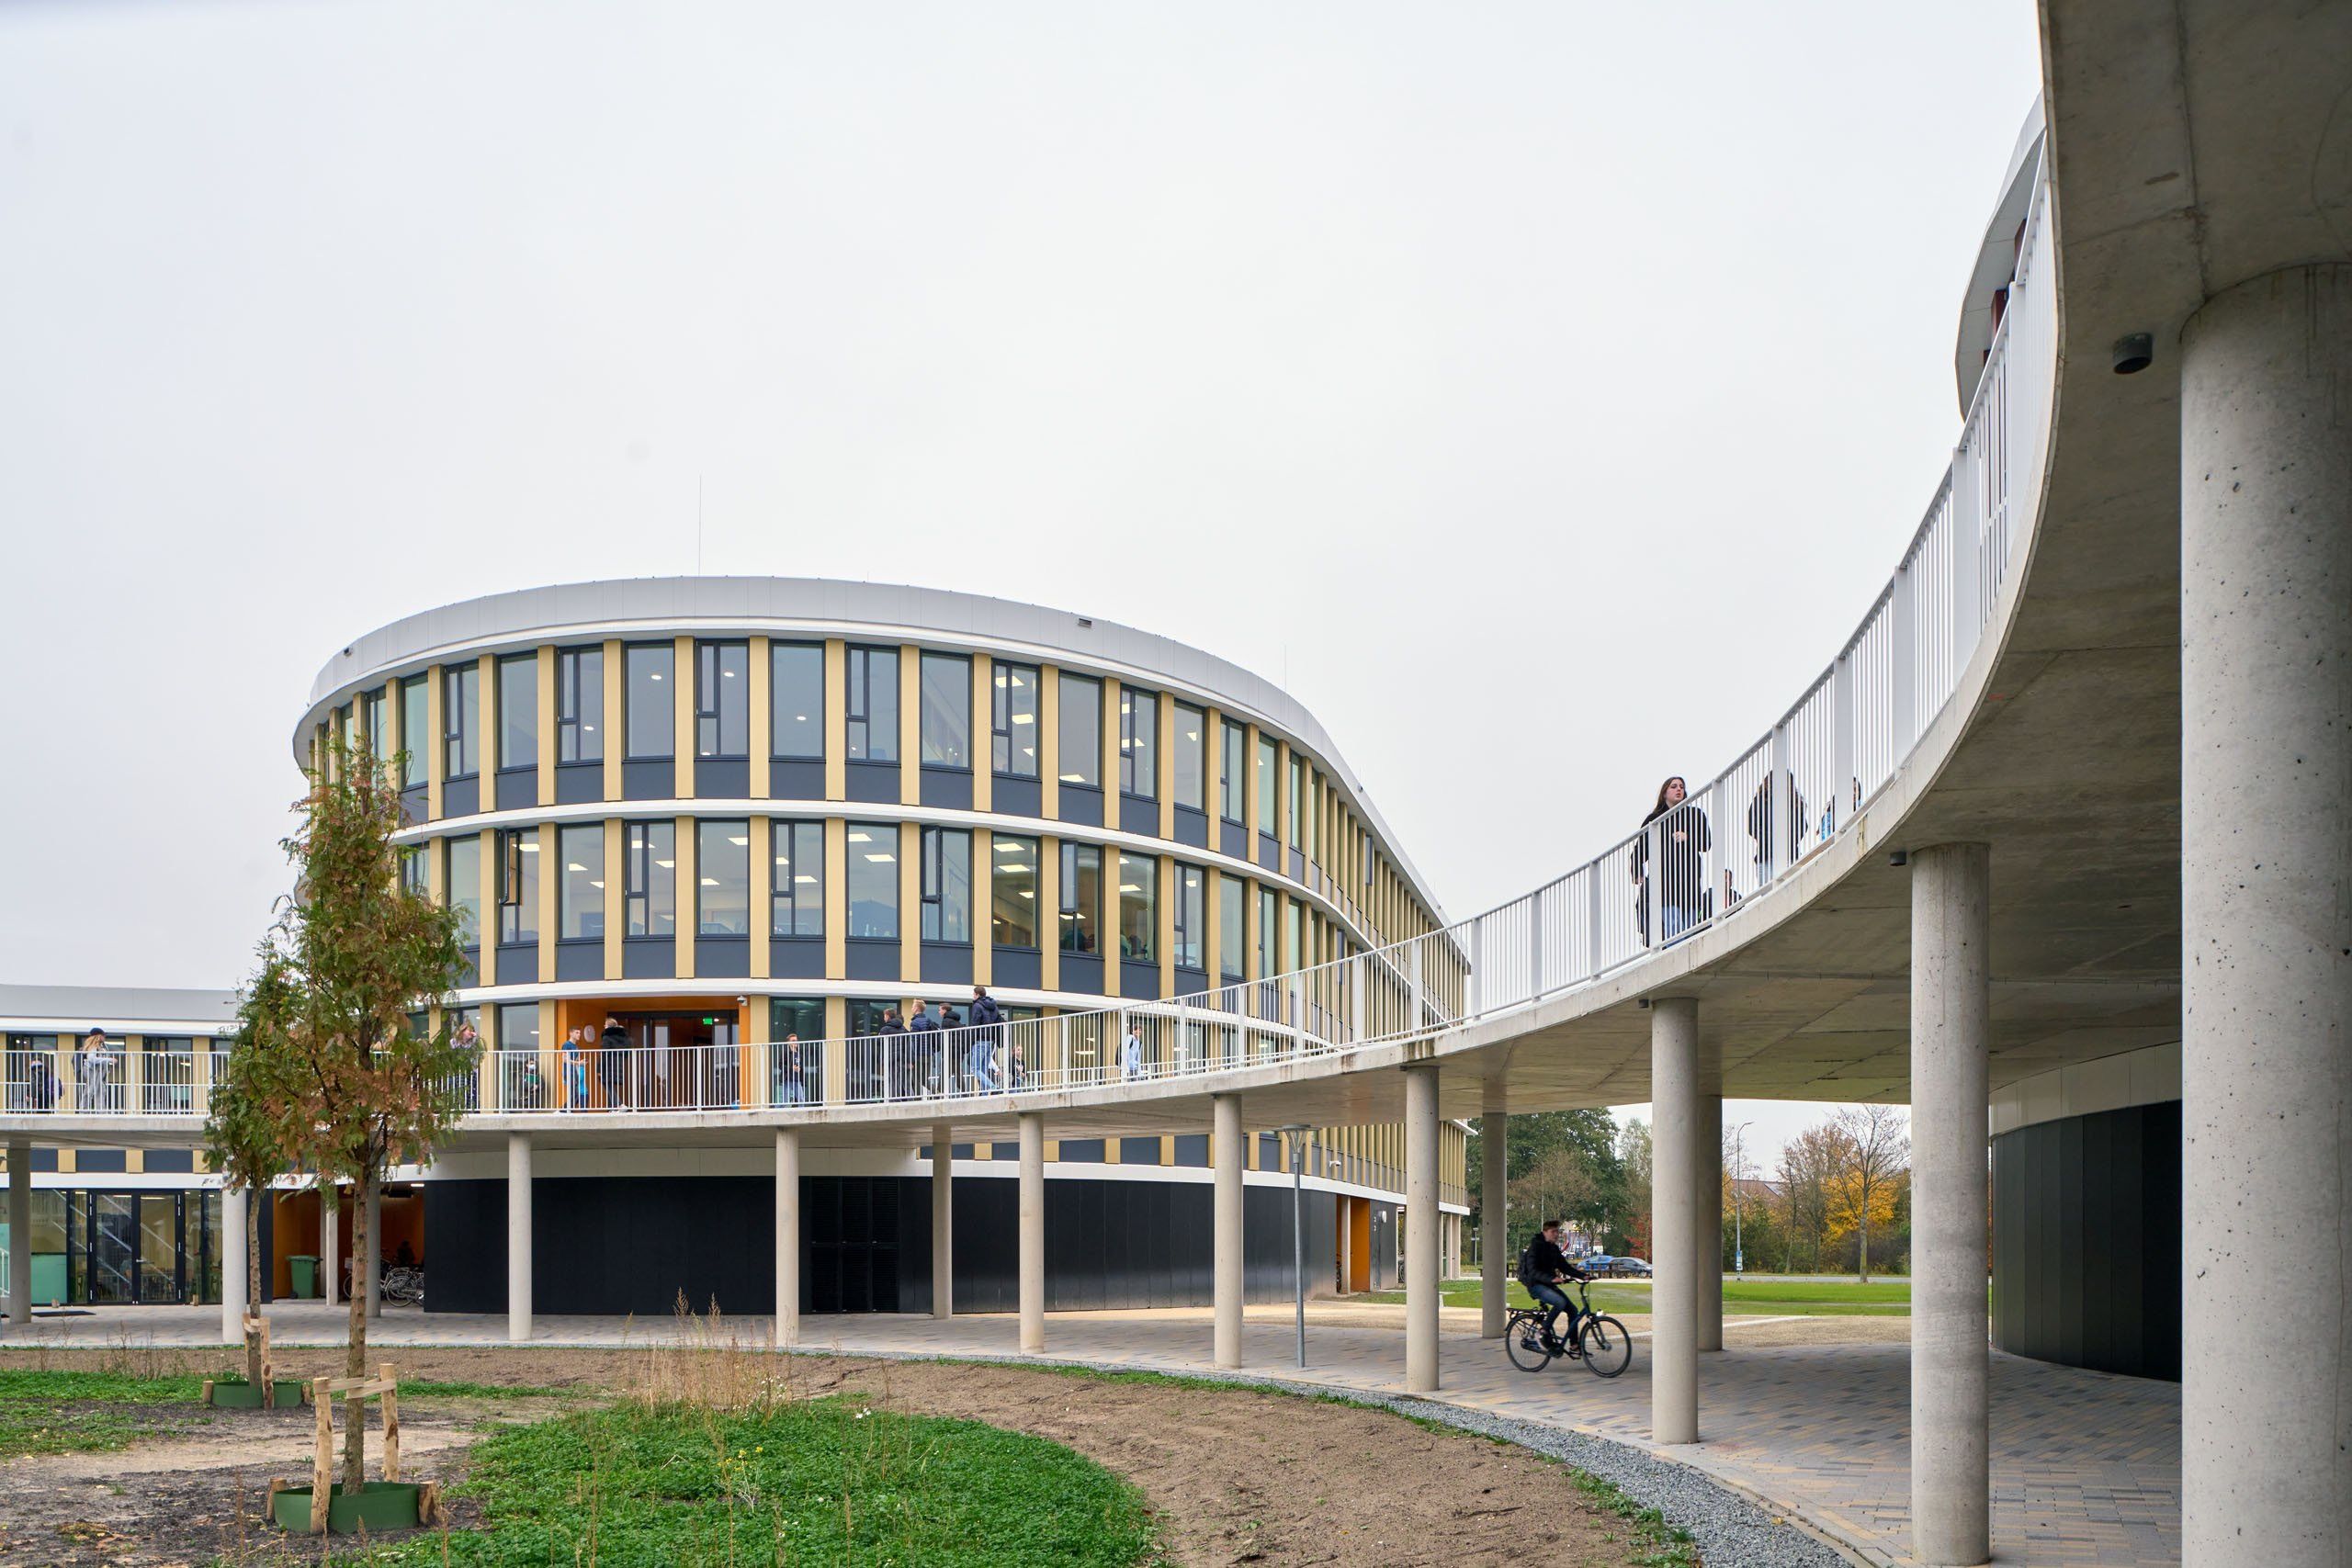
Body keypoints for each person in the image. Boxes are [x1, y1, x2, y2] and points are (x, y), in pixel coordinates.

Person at [1628, 776, 1713, 945]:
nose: (1679, 789)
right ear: (1665, 793)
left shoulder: (1695, 815)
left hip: (1689, 881)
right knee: (1673, 926)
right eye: (1674, 786)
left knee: (1690, 927)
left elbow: (1706, 843)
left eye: (1681, 786)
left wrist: (1688, 837)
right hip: (1665, 883)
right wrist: (1637, 872)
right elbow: (1639, 849)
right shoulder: (1654, 820)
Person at [1518, 1218, 1593, 1355]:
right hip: (1535, 1285)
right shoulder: (1535, 1247)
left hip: (1548, 1284)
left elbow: (1564, 1267)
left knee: (1573, 1310)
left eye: (1557, 1232)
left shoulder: (1553, 1248)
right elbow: (1533, 1271)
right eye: (1553, 1232)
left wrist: (1583, 1276)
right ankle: (1542, 1332)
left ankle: (1574, 1345)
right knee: (1560, 1302)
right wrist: (1552, 1279)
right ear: (1545, 1232)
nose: (1556, 1234)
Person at [1745, 770, 1809, 891]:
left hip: (1790, 856)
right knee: (1769, 894)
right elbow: (1752, 827)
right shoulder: (1759, 801)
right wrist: (1771, 840)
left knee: (1793, 893)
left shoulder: (1795, 802)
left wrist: (1787, 840)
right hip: (1766, 857)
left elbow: (1802, 827)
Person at [967, 986, 1003, 1092]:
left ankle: (993, 1087)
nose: (973, 996)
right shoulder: (993, 1006)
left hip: (980, 1040)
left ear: (977, 995)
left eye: (974, 994)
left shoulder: (977, 1005)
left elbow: (975, 1023)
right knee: (983, 1069)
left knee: (975, 1069)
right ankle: (984, 1094)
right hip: (990, 1040)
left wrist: (971, 1040)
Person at [77, 1026, 116, 1112]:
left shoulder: (100, 1046)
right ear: (98, 1036)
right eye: (103, 1035)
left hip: (96, 1070)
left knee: (98, 1089)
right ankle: (86, 1110)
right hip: (91, 1070)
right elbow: (92, 1059)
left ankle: (94, 1110)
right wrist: (109, 1060)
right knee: (92, 1089)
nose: (104, 1037)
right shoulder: (94, 1046)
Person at [906, 1002, 940, 1098]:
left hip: (919, 1055)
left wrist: (911, 1059)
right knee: (924, 1079)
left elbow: (914, 1042)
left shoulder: (914, 1023)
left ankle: (918, 1100)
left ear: (917, 1008)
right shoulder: (929, 1021)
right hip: (929, 1055)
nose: (912, 1008)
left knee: (916, 1079)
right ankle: (937, 1093)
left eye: (913, 1006)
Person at [597, 1015, 630, 1111]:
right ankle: (614, 1108)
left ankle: (620, 1105)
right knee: (609, 1085)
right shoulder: (622, 1039)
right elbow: (626, 1054)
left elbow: (604, 1054)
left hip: (608, 1066)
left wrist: (599, 1069)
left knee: (607, 1085)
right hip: (618, 1065)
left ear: (608, 1026)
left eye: (605, 1025)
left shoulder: (607, 1038)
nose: (604, 1026)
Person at [878, 1008, 909, 1100]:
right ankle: (897, 1099)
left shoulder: (885, 1029)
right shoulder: (902, 1028)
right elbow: (907, 1040)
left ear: (888, 1016)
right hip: (900, 1058)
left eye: (884, 1016)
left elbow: (879, 1042)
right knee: (897, 1080)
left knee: (892, 1080)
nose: (884, 1018)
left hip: (890, 1058)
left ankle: (894, 1100)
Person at [560, 1028, 589, 1111]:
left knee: (575, 1094)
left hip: (574, 1072)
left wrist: (581, 1062)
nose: (579, 1034)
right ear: (571, 1033)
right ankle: (562, 1111)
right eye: (577, 1033)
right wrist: (578, 1063)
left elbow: (576, 1060)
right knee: (575, 1094)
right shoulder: (566, 1045)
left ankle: (565, 1111)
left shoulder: (576, 1046)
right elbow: (564, 1059)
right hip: (568, 1072)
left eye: (579, 1033)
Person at [775, 1032, 806, 1105]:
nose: (795, 1042)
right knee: (785, 1102)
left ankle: (801, 1113)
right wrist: (791, 1068)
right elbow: (780, 1065)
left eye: (796, 1040)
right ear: (789, 1043)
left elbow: (800, 1066)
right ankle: (775, 1111)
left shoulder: (799, 1053)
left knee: (801, 1100)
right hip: (788, 1080)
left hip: (797, 1080)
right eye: (793, 1040)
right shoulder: (786, 1053)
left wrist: (800, 1071)